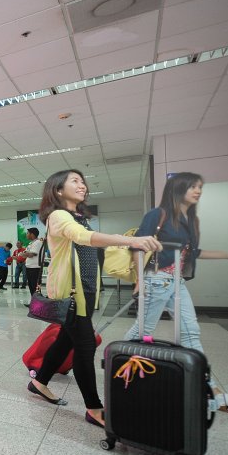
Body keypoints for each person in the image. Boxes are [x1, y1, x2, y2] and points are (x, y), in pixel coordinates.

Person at [26, 170, 161, 427]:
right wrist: (130, 240)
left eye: (82, 181)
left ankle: (39, 382)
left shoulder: (78, 216)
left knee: (66, 339)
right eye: (75, 181)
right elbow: (84, 238)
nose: (82, 185)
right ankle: (94, 408)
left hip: (85, 288)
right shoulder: (58, 215)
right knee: (85, 346)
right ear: (58, 190)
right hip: (70, 290)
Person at [121, 172, 228, 413]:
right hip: (157, 280)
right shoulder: (158, 215)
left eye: (200, 186)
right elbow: (137, 246)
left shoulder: (190, 220)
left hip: (177, 282)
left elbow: (193, 252)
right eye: (192, 186)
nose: (198, 190)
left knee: (191, 332)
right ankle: (120, 367)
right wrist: (139, 280)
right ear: (177, 189)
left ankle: (208, 389)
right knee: (143, 331)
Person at [23, 228, 44, 300]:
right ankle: (34, 302)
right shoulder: (31, 243)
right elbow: (25, 254)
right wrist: (25, 254)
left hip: (35, 267)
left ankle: (38, 303)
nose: (26, 235)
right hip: (29, 267)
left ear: (32, 234)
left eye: (27, 233)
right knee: (31, 286)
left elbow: (31, 254)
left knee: (35, 286)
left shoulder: (38, 242)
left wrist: (25, 254)